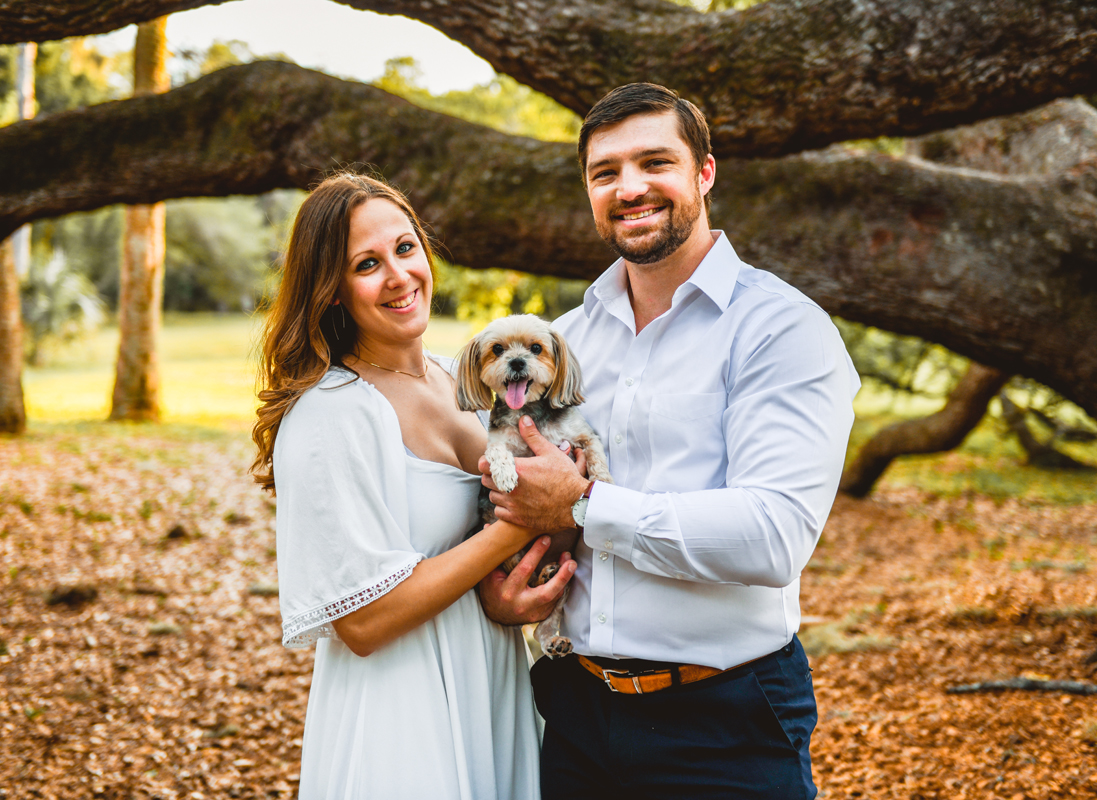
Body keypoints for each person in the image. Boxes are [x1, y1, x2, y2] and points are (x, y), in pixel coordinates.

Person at [478, 84, 861, 798]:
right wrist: (503, 600)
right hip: (572, 712)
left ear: (704, 173)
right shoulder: (563, 343)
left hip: (725, 722)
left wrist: (587, 504)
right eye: (605, 172)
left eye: (655, 162)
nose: (630, 187)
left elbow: (773, 536)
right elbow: (520, 500)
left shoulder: (780, 329)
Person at [250, 172, 575, 799]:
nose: (399, 276)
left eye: (405, 248)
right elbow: (364, 622)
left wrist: (510, 591)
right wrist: (521, 522)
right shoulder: (331, 413)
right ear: (334, 291)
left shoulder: (466, 381)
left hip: (491, 678)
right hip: (401, 710)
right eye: (366, 264)